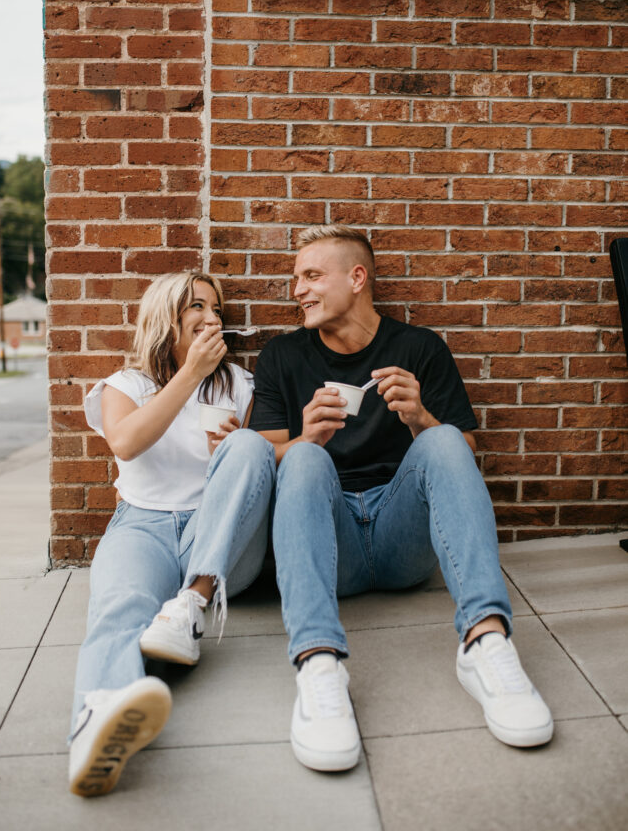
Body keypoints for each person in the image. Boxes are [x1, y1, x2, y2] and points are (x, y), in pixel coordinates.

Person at [249, 224, 553, 772]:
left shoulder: (419, 348)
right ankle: (319, 664)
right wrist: (305, 439)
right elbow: (259, 461)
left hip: (401, 536)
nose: (297, 289)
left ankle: (486, 645)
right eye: (296, 278)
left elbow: (460, 452)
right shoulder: (282, 356)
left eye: (311, 276)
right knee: (304, 459)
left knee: (440, 437)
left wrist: (419, 417)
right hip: (331, 537)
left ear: (358, 278)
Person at [69, 271, 275, 796]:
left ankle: (190, 604)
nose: (213, 319)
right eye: (198, 307)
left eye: (217, 310)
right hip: (144, 524)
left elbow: (259, 467)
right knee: (121, 604)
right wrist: (188, 374)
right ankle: (96, 722)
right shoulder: (126, 386)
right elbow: (126, 443)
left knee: (248, 448)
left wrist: (229, 456)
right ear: (166, 318)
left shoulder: (238, 385)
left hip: (218, 534)